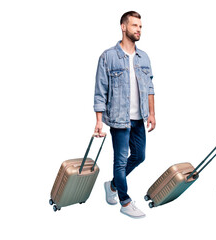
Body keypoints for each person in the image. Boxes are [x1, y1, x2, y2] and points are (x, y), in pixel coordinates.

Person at [93, 11, 156, 219]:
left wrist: (152, 114)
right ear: (123, 27)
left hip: (139, 118)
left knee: (140, 156)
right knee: (120, 162)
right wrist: (99, 122)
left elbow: (149, 88)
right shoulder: (108, 57)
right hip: (119, 119)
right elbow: (100, 91)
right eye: (134, 26)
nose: (138, 29)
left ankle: (112, 185)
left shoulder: (144, 57)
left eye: (140, 26)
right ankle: (125, 201)